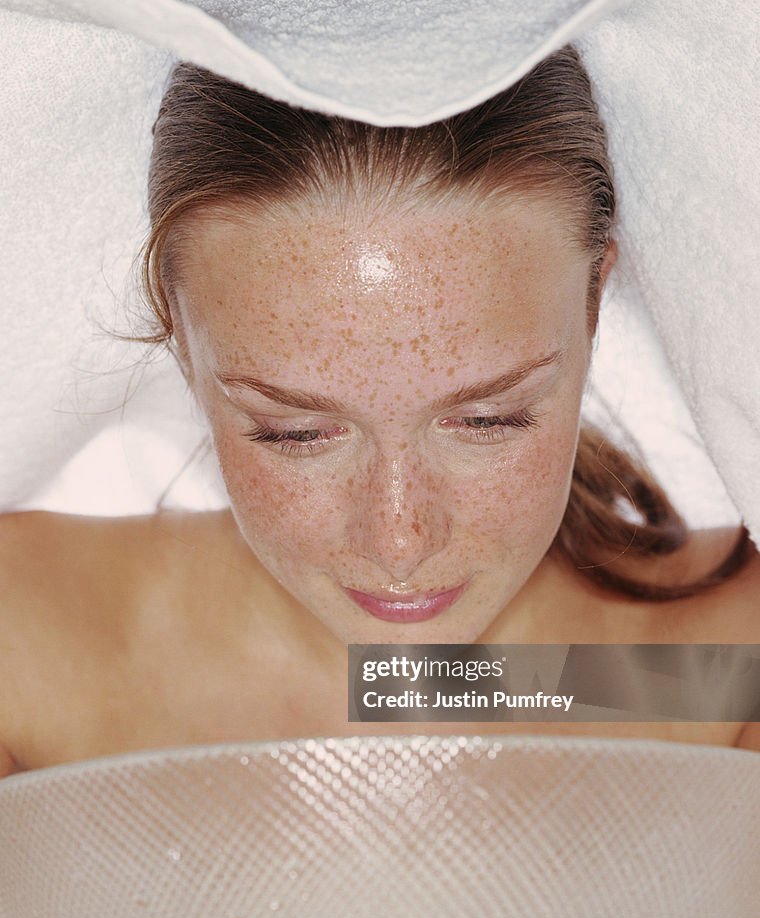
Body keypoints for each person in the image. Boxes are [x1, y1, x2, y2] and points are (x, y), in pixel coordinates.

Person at [0, 45, 758, 781]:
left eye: (488, 419)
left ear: (593, 308)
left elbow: (432, 696)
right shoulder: (22, 654)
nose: (399, 542)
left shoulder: (724, 674)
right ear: (180, 336)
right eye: (298, 433)